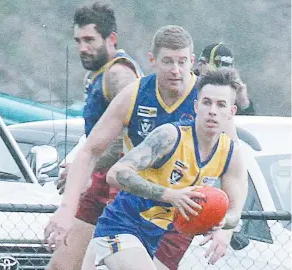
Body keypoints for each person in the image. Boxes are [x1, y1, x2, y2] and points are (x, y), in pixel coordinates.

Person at [45, 25, 238, 269]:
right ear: (152, 61)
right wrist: (66, 210)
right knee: (63, 264)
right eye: (167, 61)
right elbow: (90, 150)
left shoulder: (207, 100)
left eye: (181, 62)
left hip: (179, 216)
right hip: (134, 206)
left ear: (191, 61)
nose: (176, 71)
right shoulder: (136, 93)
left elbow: (233, 164)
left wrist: (226, 229)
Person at [90, 67, 248, 270]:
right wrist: (169, 195)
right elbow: (116, 174)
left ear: (231, 112)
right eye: (207, 102)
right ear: (196, 106)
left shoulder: (230, 153)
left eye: (221, 105)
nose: (213, 110)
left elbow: (235, 213)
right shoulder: (171, 136)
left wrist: (219, 222)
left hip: (154, 236)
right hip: (120, 226)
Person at [46, 3, 143, 270]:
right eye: (78, 40)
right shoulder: (100, 73)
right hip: (101, 185)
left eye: (90, 40)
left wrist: (86, 167)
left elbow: (132, 138)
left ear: (111, 39)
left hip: (115, 189)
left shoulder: (118, 75)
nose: (82, 47)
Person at [194, 43, 255, 115]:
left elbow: (247, 123)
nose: (220, 83)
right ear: (200, 65)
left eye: (226, 76)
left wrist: (243, 103)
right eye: (214, 76)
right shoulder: (187, 87)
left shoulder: (230, 92)